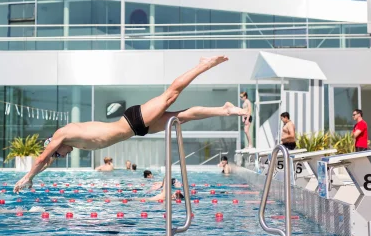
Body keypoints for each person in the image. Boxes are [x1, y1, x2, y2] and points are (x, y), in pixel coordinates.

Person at [14, 56, 245, 192]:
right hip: (136, 129)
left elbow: (43, 158)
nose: (64, 156)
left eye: (60, 155)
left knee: (169, 96)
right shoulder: (69, 141)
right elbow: (46, 163)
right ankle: (224, 110)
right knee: (180, 117)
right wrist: (34, 176)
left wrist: (26, 177)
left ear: (54, 145)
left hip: (132, 120)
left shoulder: (63, 134)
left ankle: (203, 65)